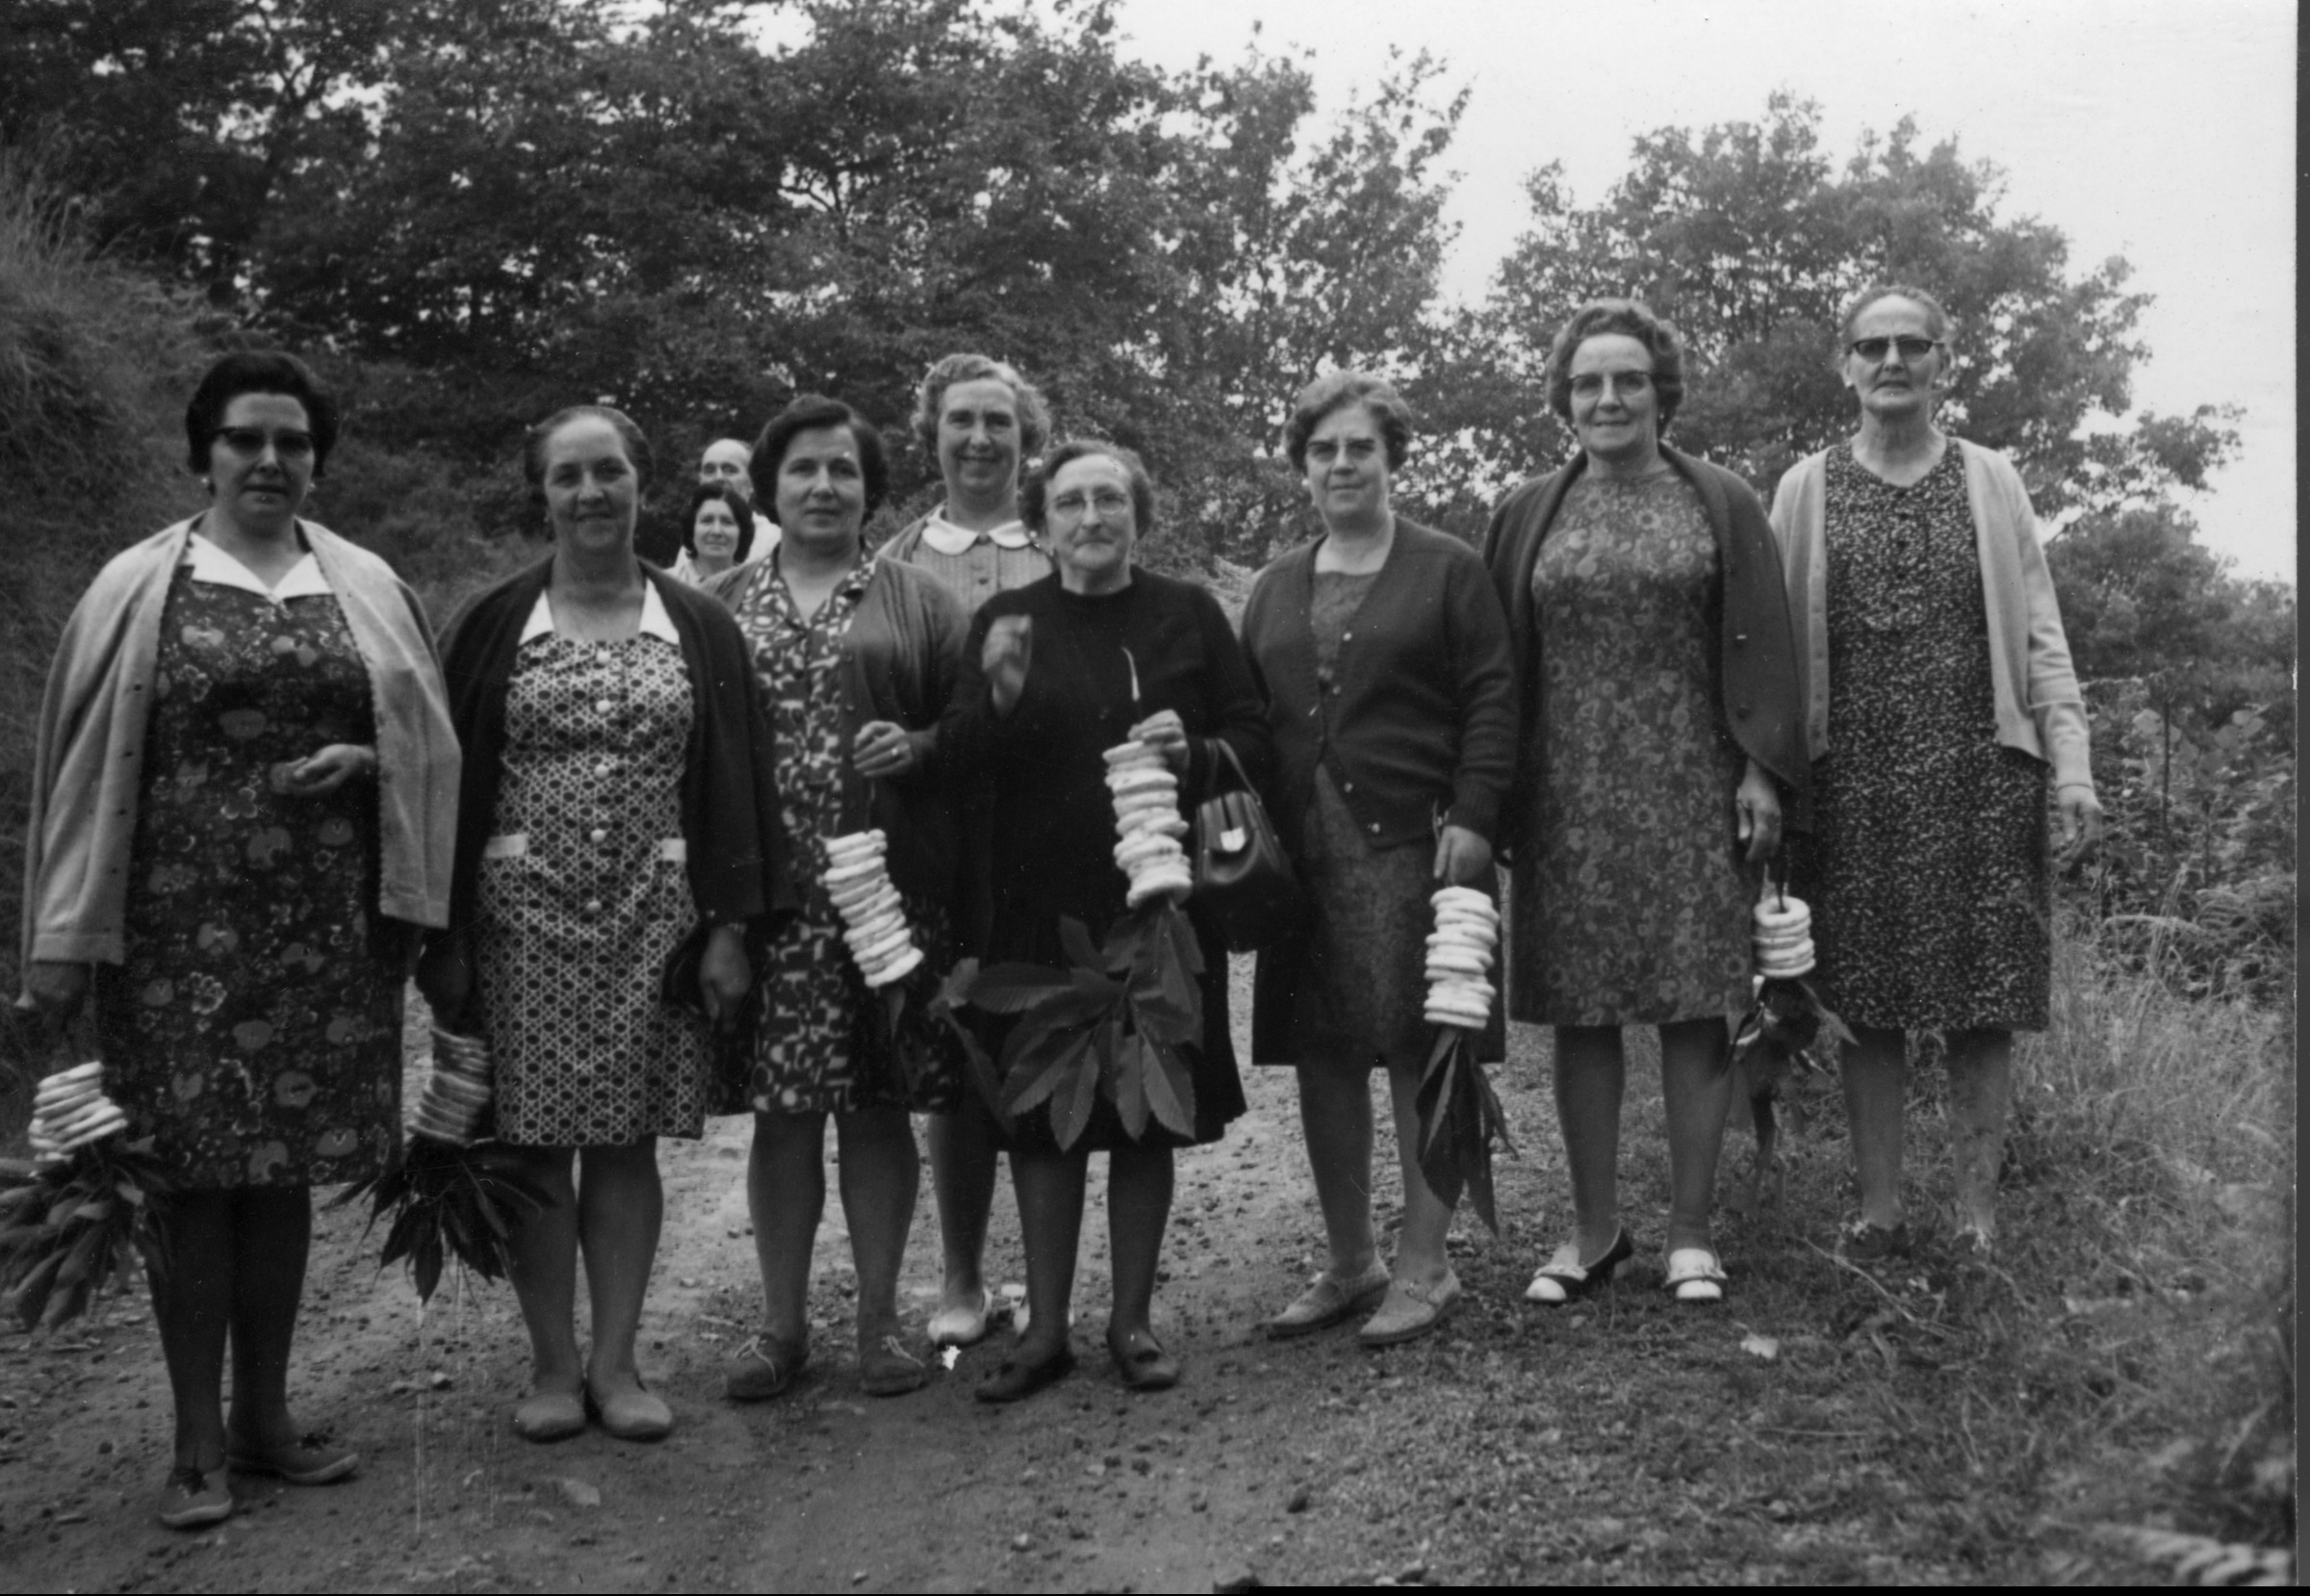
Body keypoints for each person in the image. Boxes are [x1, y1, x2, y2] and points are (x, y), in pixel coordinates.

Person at [18, 350, 459, 1529]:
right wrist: (61, 933)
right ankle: (195, 1442)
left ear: (318, 459)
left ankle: (265, 1416)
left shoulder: (364, 581)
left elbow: (428, 740)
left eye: (292, 442)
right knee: (188, 1177)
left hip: (327, 931)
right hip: (174, 932)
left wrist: (370, 759)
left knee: (281, 1173)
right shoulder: (137, 585)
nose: (270, 460)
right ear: (203, 452)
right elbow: (79, 766)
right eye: (245, 439)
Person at [419, 404, 784, 1446]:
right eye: (568, 475)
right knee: (533, 1147)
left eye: (609, 472)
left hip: (653, 922)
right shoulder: (492, 621)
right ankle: (551, 1365)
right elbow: (441, 779)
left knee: (626, 1145)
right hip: (519, 922)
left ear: (641, 483)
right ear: (542, 493)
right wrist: (442, 937)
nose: (591, 493)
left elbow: (737, 781)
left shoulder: (698, 623)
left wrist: (730, 928)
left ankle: (617, 1364)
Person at [1482, 299, 1807, 1307]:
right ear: (1565, 398)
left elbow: (1767, 641)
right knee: (1579, 1011)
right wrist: (1491, 793)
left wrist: (1761, 770)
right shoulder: (1526, 511)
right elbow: (1495, 666)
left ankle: (1691, 1235)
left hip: (1693, 784)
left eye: (1629, 379)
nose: (1609, 398)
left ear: (1662, 392)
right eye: (1588, 382)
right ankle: (1594, 1233)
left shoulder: (1722, 501)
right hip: (1565, 793)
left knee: (1693, 1005)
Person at [1770, 284, 2101, 1260]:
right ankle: (1879, 1212)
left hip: (1982, 773)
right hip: (1850, 778)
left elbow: (2041, 636)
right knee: (1863, 997)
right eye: (1872, 345)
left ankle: (1976, 1219)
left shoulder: (1992, 479)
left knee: (1982, 997)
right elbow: (1773, 653)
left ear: (1944, 363)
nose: (1893, 361)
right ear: (1844, 364)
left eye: (1913, 345)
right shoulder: (1804, 488)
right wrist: (1766, 774)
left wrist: (2073, 766)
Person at [941, 439, 1273, 1402]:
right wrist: (1000, 696)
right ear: (1042, 524)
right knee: (1043, 1121)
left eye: (1110, 500)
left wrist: (1195, 749)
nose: (1091, 517)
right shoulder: (1008, 620)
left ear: (1139, 516)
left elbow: (1254, 735)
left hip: (1158, 906)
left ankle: (1132, 1323)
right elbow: (960, 754)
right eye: (1071, 502)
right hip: (1036, 910)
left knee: (1145, 1118)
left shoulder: (1187, 612)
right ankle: (1046, 1330)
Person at [704, 395, 972, 1402]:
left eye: (844, 470)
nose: (824, 486)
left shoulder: (919, 601)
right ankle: (781, 1328)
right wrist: (718, 919)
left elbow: (971, 729)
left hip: (884, 905)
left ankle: (879, 1324)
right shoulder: (718, 603)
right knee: (782, 1116)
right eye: (804, 469)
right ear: (768, 490)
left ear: (870, 489)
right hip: (769, 908)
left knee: (876, 1106)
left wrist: (922, 746)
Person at [1241, 372, 1517, 1346]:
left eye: (1361, 446)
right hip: (1303, 854)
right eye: (1324, 449)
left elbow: (1493, 697)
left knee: (1421, 1045)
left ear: (1393, 456)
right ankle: (1351, 1258)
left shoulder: (1448, 568)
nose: (1343, 463)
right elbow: (1249, 713)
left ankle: (1427, 1262)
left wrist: (1477, 811)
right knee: (1321, 1052)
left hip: (1416, 844)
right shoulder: (1275, 582)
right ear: (1302, 466)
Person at [878, 352, 1057, 1350]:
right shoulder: (898, 559)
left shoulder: (1062, 541)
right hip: (936, 841)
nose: (981, 439)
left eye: (1000, 422)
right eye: (962, 421)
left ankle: (1051, 1279)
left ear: (1026, 438)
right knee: (954, 1054)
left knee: (1043, 1041)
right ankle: (961, 1274)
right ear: (933, 435)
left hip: (1047, 835)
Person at [699, 436, 781, 554]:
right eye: (709, 470)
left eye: (729, 470)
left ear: (751, 482)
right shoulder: (692, 543)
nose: (718, 478)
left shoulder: (773, 542)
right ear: (700, 481)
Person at [668, 481, 757, 585]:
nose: (716, 531)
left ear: (742, 532)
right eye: (707, 521)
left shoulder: (756, 588)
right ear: (691, 529)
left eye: (727, 522)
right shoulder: (663, 586)